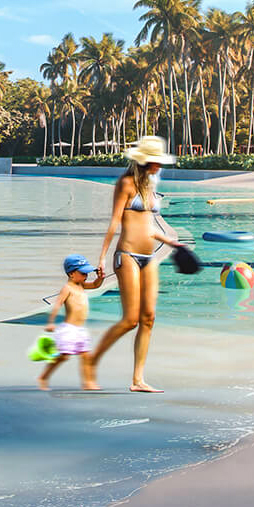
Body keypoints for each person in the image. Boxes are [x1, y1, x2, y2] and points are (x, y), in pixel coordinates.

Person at [84, 136, 184, 393]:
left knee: (148, 318)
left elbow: (149, 226)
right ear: (146, 161)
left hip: (149, 258)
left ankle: (138, 380)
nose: (160, 165)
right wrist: (102, 257)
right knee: (130, 320)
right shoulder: (126, 183)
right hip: (127, 255)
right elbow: (114, 222)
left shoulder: (149, 186)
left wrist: (172, 242)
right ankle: (92, 361)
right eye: (156, 161)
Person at [38, 254, 105, 390]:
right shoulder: (67, 288)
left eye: (87, 273)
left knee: (86, 355)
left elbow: (95, 285)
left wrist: (100, 277)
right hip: (68, 329)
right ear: (71, 274)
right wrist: (51, 322)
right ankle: (43, 377)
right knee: (64, 356)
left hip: (80, 329)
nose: (86, 276)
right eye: (83, 273)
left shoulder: (82, 286)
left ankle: (88, 382)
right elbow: (57, 305)